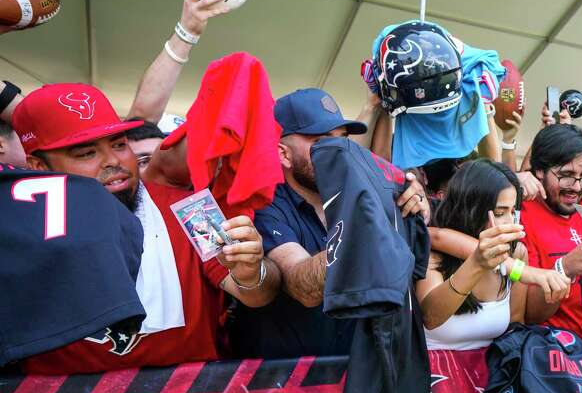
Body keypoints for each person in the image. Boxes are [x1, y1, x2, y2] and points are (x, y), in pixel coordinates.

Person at [13, 83, 280, 374]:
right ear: (38, 167)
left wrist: (251, 273)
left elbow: (257, 296)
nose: (114, 161)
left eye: (118, 144)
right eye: (87, 153)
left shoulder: (191, 208)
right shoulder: (16, 231)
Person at [230, 88, 429, 359]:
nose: (339, 151)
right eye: (321, 141)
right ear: (284, 154)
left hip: (357, 372)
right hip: (280, 382)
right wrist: (365, 235)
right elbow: (302, 286)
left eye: (343, 139)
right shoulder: (265, 204)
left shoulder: (364, 191)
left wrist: (413, 206)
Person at [416, 160, 570, 349]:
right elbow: (430, 318)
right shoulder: (433, 253)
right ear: (469, 210)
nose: (508, 222)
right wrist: (478, 264)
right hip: (437, 371)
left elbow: (515, 327)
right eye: (499, 212)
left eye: (513, 212)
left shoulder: (517, 254)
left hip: (492, 373)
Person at [522, 123, 582, 342]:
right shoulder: (522, 218)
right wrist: (564, 269)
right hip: (549, 357)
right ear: (539, 170)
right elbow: (530, 314)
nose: (575, 186)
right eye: (566, 175)